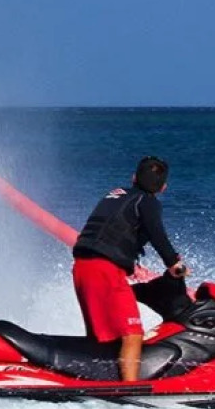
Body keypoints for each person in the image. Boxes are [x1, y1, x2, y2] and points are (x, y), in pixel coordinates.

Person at [71, 156, 192, 383]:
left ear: (134, 178)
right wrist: (174, 264)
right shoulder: (147, 201)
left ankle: (96, 381)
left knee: (100, 337)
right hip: (105, 270)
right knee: (133, 334)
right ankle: (130, 388)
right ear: (163, 187)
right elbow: (157, 234)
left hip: (82, 268)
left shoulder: (115, 194)